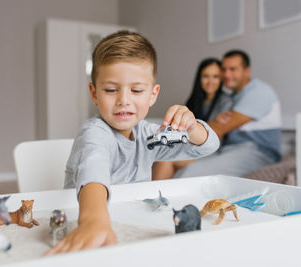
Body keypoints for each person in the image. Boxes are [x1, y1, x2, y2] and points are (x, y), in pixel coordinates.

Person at [44, 31, 219, 255]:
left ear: (152, 95)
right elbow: (93, 173)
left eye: (136, 90)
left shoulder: (149, 136)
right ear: (94, 93)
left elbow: (209, 146)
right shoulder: (94, 133)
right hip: (87, 224)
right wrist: (93, 220)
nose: (123, 100)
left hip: (130, 223)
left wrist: (193, 128)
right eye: (110, 90)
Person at [173, 49, 282, 178]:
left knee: (189, 174)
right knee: (177, 167)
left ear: (247, 71)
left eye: (232, 69)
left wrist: (177, 132)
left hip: (257, 151)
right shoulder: (234, 97)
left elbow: (219, 128)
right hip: (230, 149)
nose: (227, 75)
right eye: (224, 70)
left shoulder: (258, 92)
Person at [152, 58, 233, 180]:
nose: (210, 81)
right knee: (162, 153)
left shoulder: (226, 102)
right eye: (206, 76)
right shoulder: (195, 100)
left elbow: (218, 132)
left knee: (165, 161)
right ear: (199, 78)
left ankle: (152, 195)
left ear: (221, 79)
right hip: (188, 143)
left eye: (215, 76)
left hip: (208, 148)